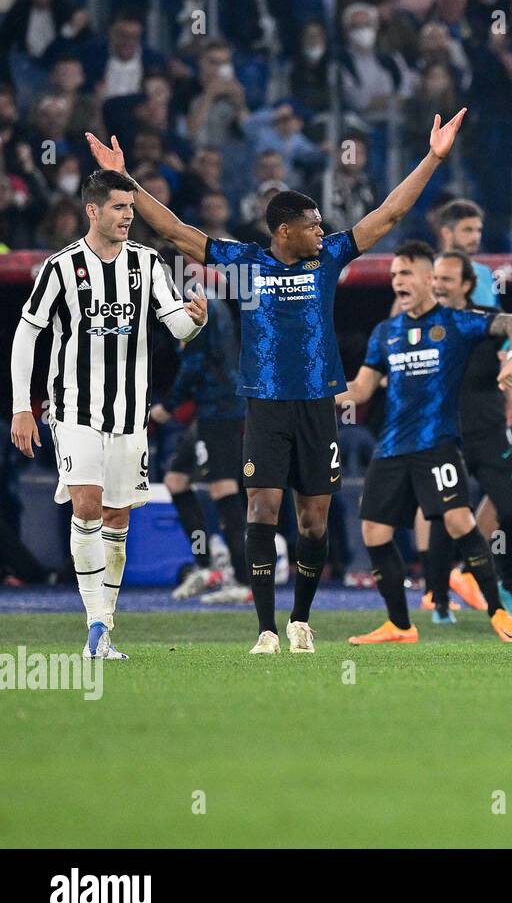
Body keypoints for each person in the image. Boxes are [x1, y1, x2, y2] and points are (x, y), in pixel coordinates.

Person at [85, 108, 468, 655]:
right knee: (260, 509)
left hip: (318, 406)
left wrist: (432, 157)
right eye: (313, 224)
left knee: (314, 521)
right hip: (264, 407)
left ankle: (300, 620)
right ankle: (266, 628)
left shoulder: (330, 257)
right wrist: (125, 181)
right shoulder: (244, 264)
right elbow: (172, 229)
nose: (322, 230)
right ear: (285, 230)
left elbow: (389, 214)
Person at [9, 169, 207, 660]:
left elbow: (175, 324)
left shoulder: (146, 263)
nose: (128, 216)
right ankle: (95, 623)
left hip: (129, 413)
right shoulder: (60, 268)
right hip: (73, 409)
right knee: (87, 505)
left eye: (131, 208)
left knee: (118, 517)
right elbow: (27, 334)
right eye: (119, 207)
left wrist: (195, 322)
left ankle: (105, 628)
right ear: (92, 210)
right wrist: (21, 406)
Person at [339, 242, 512, 646]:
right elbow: (360, 389)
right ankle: (400, 624)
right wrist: (317, 395)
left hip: (437, 445)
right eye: (393, 275)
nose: (397, 281)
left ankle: (497, 609)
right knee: (373, 530)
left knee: (459, 521)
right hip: (391, 448)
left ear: (428, 279)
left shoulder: (458, 323)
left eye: (405, 273)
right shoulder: (385, 332)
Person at [418, 248, 512, 626]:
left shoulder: (484, 320)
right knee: (444, 516)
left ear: (467, 285)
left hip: (487, 428)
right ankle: (438, 597)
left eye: (447, 279)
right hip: (442, 432)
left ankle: (510, 586)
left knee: (511, 513)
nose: (438, 285)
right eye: (435, 279)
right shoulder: (417, 324)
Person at [153, 292, 249, 604]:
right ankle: (206, 566)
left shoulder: (194, 306)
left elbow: (193, 364)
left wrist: (168, 406)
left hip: (219, 409)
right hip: (212, 408)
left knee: (223, 489)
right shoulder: (215, 303)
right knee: (176, 481)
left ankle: (243, 581)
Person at [434, 199, 497, 309]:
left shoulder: (486, 273)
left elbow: (495, 317)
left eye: (478, 230)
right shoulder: (426, 270)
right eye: (468, 230)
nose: (475, 237)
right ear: (447, 233)